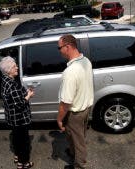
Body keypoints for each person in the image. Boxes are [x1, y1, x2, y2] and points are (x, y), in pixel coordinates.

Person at [57, 34, 94, 169]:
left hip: (75, 113)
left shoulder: (71, 71)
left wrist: (59, 119)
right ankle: (73, 153)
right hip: (85, 108)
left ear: (67, 47)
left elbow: (66, 102)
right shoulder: (86, 61)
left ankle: (79, 165)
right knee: (75, 136)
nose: (59, 50)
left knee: (79, 142)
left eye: (59, 47)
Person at [0, 56, 35, 169]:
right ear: (8, 70)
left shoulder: (5, 80)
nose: (17, 68)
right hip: (19, 118)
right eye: (14, 66)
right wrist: (28, 96)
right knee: (23, 141)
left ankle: (18, 157)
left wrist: (24, 92)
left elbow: (14, 98)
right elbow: (19, 104)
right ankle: (23, 163)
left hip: (12, 118)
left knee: (16, 138)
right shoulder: (12, 85)